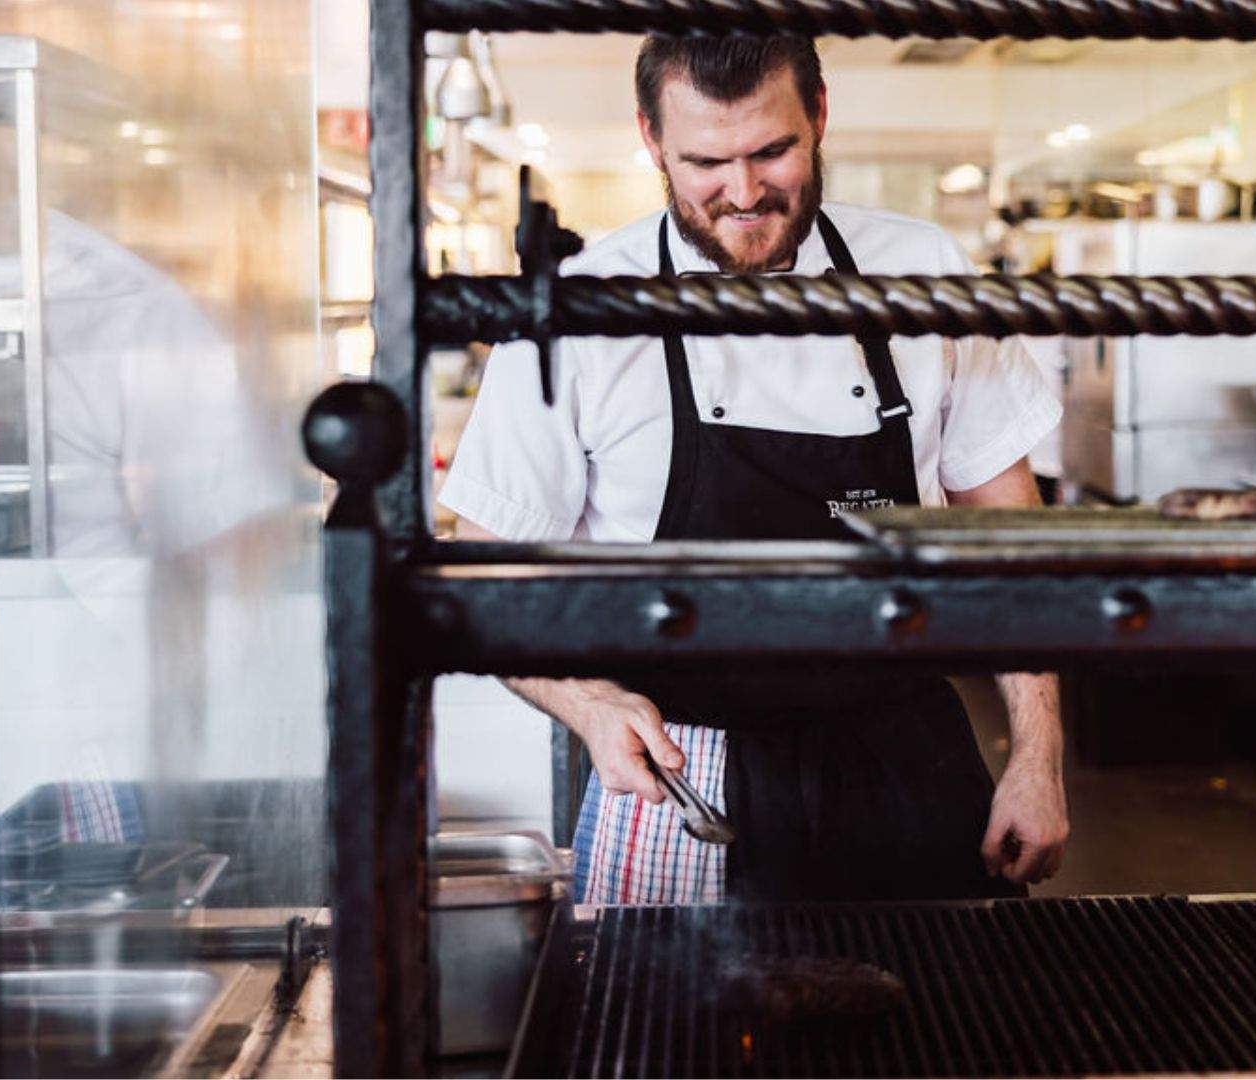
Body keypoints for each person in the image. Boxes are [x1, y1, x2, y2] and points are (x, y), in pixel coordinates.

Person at [440, 34, 1068, 904]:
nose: (743, 193)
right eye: (705, 161)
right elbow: (484, 579)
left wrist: (1038, 758)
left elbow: (1010, 543)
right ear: (651, 141)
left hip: (906, 760)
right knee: (663, 1032)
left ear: (817, 114)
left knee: (944, 1021)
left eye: (772, 151)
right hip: (680, 774)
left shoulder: (920, 275)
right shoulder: (582, 309)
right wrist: (588, 705)